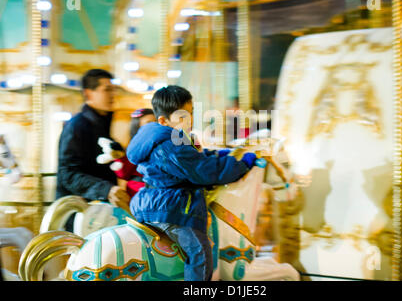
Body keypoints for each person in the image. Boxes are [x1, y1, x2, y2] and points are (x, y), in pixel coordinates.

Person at [126, 85, 257, 281]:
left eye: (190, 113)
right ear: (163, 120)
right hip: (172, 208)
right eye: (181, 117)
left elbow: (196, 159)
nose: (189, 120)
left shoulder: (166, 138)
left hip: (155, 202)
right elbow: (203, 172)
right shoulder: (169, 143)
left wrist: (218, 154)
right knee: (200, 253)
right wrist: (240, 165)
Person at [56, 69, 130, 230]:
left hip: (98, 212)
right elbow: (68, 173)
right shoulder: (77, 126)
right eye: (106, 90)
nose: (112, 94)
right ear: (89, 94)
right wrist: (106, 189)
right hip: (81, 214)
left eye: (113, 89)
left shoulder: (100, 125)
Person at [112, 108, 156, 197]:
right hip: (138, 191)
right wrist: (120, 157)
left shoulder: (162, 144)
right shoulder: (134, 146)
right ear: (137, 127)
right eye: (148, 123)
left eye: (155, 122)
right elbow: (123, 174)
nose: (154, 126)